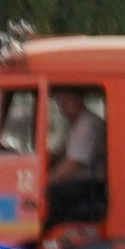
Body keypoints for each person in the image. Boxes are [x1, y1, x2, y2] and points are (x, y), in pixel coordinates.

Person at [47, 87, 108, 225]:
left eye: (66, 100)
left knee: (46, 197)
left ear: (79, 99)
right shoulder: (74, 124)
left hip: (89, 186)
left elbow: (74, 164)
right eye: (59, 101)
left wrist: (43, 182)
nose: (62, 105)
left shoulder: (88, 124)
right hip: (79, 183)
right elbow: (57, 153)